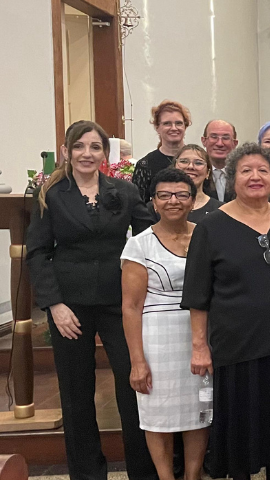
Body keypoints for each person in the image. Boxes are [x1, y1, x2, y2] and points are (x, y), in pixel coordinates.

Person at [181, 142, 270, 480]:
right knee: (243, 421)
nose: (255, 177)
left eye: (263, 170)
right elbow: (198, 295)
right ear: (233, 179)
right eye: (246, 171)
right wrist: (199, 346)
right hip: (239, 344)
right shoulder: (211, 227)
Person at [27, 120, 157, 480]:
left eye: (95, 147)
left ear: (105, 153)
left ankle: (143, 472)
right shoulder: (50, 195)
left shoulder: (124, 191)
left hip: (121, 302)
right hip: (70, 306)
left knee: (133, 385)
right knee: (76, 393)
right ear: (67, 152)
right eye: (80, 147)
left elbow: (150, 237)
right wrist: (54, 305)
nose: (87, 154)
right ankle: (87, 474)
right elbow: (38, 254)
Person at [121, 168, 208, 480]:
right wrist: (137, 361)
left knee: (200, 412)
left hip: (200, 335)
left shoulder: (206, 235)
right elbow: (131, 307)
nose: (174, 200)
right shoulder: (139, 245)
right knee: (158, 415)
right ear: (153, 202)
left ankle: (193, 475)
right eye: (165, 195)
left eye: (182, 194)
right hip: (157, 338)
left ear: (193, 200)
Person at [134, 100, 191, 202]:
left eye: (178, 123)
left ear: (185, 126)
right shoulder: (145, 165)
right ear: (157, 127)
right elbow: (139, 206)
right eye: (167, 123)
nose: (174, 128)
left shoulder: (197, 160)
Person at [168, 145, 223, 222]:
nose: (190, 167)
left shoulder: (221, 210)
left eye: (198, 163)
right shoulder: (159, 206)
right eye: (184, 161)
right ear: (174, 167)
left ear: (208, 173)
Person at [200, 120, 239, 202]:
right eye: (214, 137)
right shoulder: (197, 174)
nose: (220, 144)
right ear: (204, 141)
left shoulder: (242, 174)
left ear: (235, 143)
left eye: (226, 138)